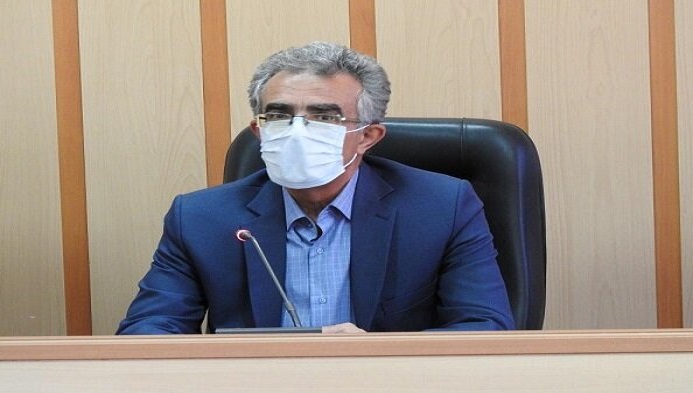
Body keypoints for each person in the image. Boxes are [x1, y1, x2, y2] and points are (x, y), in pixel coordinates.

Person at [117, 42, 514, 334]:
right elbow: (146, 332)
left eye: (324, 117)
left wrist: (373, 356)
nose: (297, 131)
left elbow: (484, 327)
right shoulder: (200, 218)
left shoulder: (443, 207)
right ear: (259, 131)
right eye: (279, 115)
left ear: (367, 136)